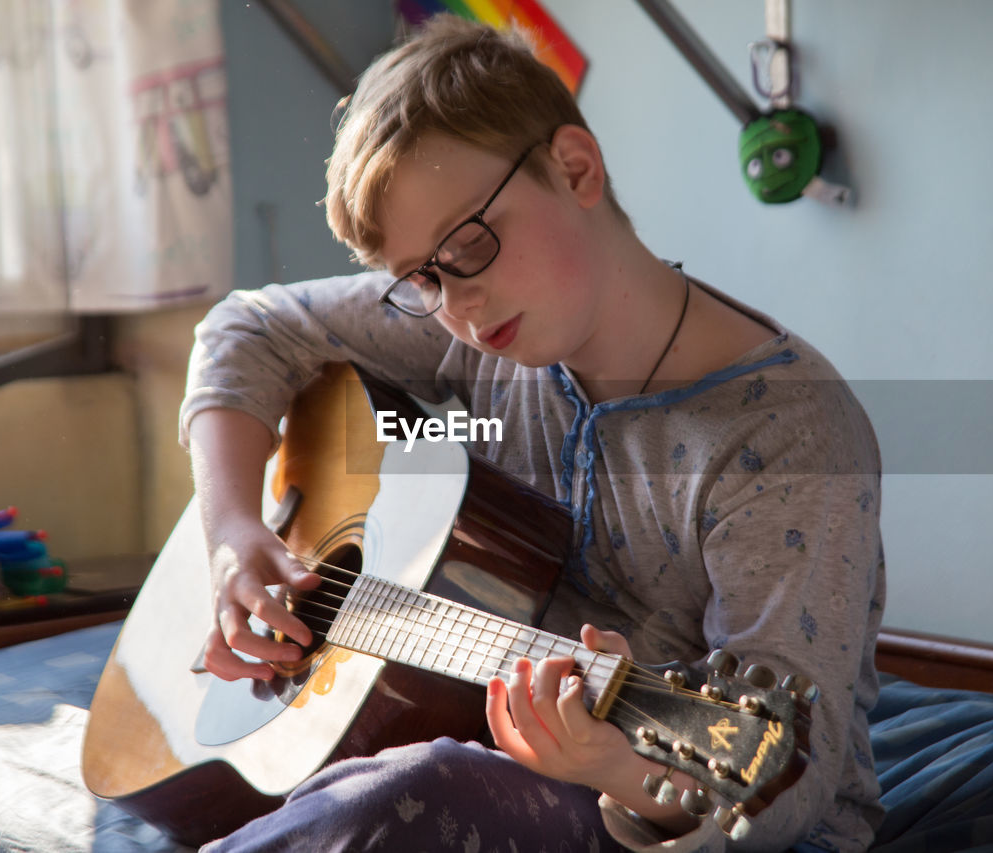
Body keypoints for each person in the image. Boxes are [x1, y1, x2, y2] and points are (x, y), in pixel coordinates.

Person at [181, 13, 885, 853]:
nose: (457, 307)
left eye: (469, 246)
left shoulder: (785, 437)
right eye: (420, 280)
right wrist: (233, 535)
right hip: (493, 738)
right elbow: (244, 330)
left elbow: (781, 788)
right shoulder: (478, 322)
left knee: (404, 796)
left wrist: (611, 764)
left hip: (687, 818)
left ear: (577, 168)